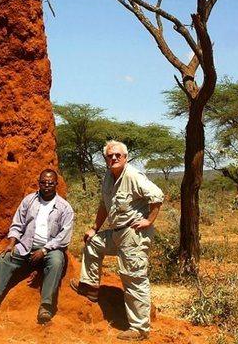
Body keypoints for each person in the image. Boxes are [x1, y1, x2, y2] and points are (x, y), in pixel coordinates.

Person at [70, 140, 164, 341]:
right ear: (106, 159)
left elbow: (157, 196)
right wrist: (95, 228)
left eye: (117, 155)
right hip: (115, 232)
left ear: (125, 157)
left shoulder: (133, 176)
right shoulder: (108, 176)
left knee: (133, 278)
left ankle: (139, 329)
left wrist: (148, 220)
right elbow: (104, 205)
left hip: (133, 234)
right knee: (93, 244)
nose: (113, 158)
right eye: (109, 156)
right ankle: (91, 287)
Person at [0, 168, 74, 324]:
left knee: (57, 262)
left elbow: (64, 236)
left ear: (56, 184)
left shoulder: (65, 207)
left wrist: (44, 250)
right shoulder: (29, 201)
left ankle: (46, 306)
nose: (47, 186)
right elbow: (17, 223)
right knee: (4, 257)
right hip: (26, 244)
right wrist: (11, 243)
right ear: (38, 183)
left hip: (51, 248)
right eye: (43, 182)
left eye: (50, 183)